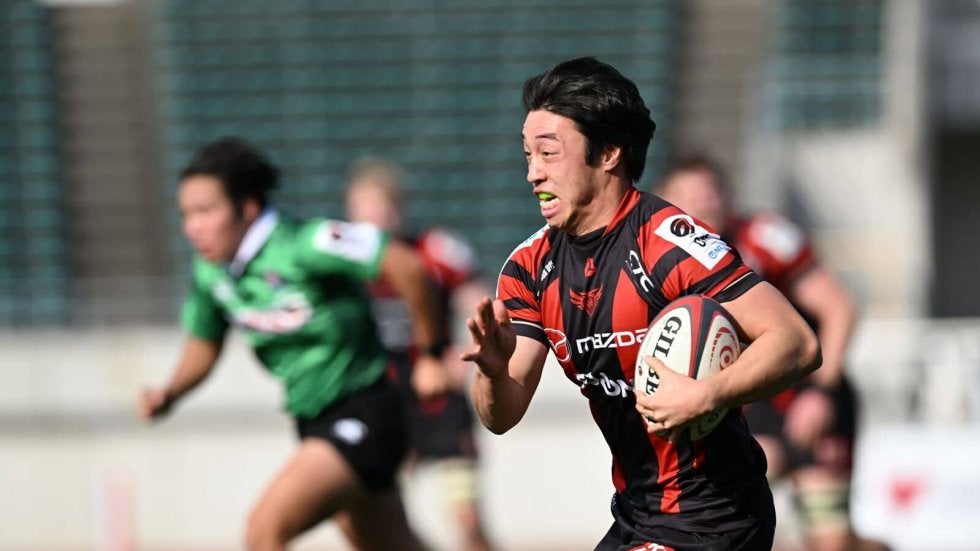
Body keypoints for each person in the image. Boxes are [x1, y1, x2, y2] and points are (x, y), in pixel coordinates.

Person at [462, 56, 822, 551]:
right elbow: (500, 416)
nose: (533, 174)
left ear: (608, 152)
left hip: (716, 516)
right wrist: (491, 370)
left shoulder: (669, 244)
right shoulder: (529, 268)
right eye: (528, 155)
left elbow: (797, 343)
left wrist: (706, 395)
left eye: (549, 153)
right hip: (637, 514)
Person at [137, 137, 450, 551]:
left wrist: (431, 354)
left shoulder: (305, 244)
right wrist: (171, 391)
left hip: (366, 411)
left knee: (264, 530)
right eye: (186, 214)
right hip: (311, 419)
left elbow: (406, 265)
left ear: (247, 208)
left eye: (205, 211)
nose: (191, 227)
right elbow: (205, 342)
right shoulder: (212, 273)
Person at [656, 153, 890, 551]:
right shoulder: (661, 262)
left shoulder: (765, 237)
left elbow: (839, 307)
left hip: (808, 393)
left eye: (712, 191)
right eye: (691, 195)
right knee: (725, 518)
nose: (705, 202)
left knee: (830, 541)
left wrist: (821, 392)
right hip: (746, 405)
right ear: (667, 203)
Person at [345, 157, 495, 551]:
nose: (374, 217)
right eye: (364, 208)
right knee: (370, 522)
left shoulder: (436, 251)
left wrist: (462, 358)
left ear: (399, 208)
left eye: (382, 206)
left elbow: (482, 311)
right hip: (383, 407)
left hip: (438, 405)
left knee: (468, 520)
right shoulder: (343, 268)